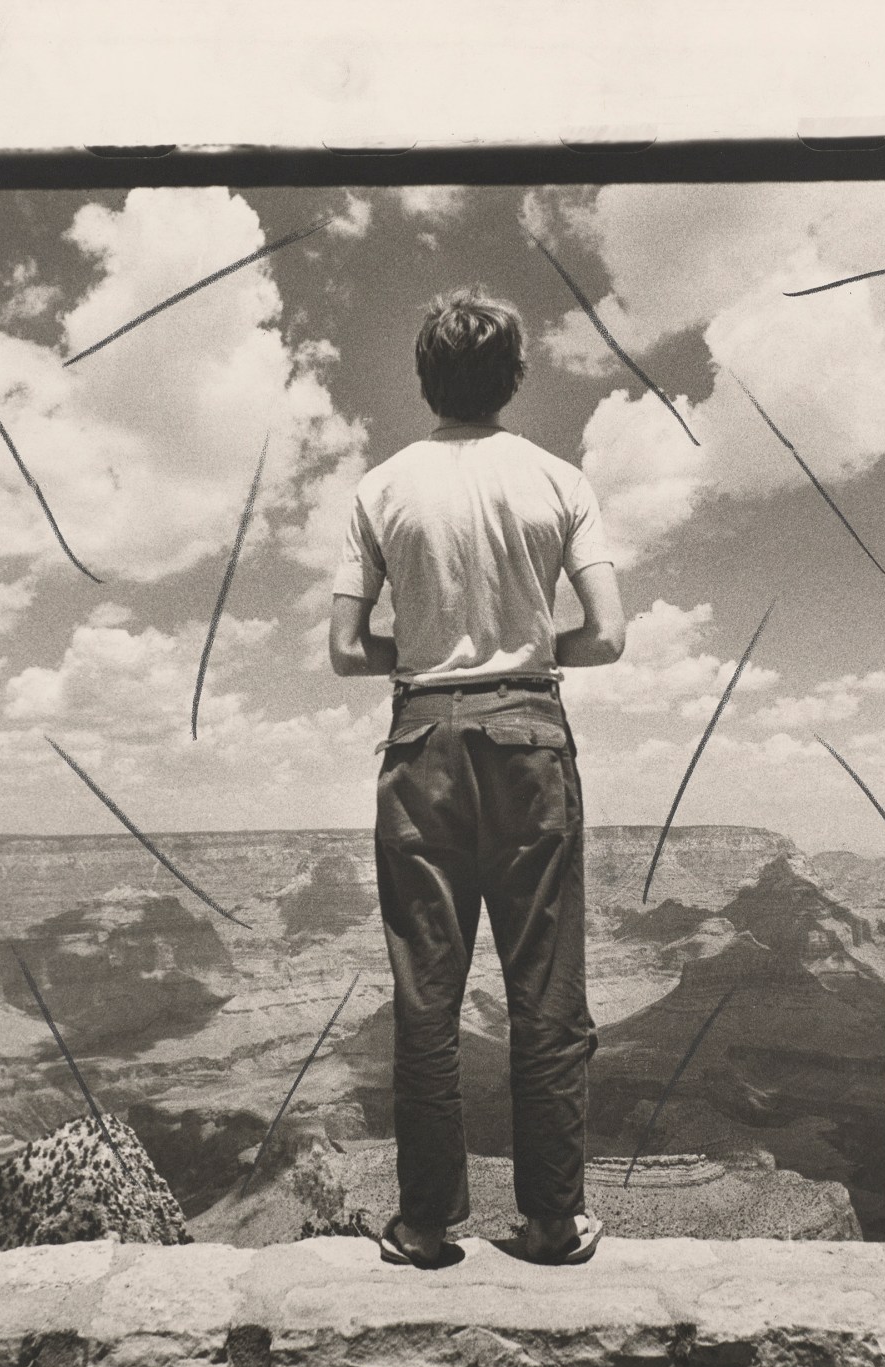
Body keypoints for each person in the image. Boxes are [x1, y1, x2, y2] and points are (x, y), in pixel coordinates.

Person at [330, 286, 626, 1269]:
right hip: (531, 734)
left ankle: (423, 1224)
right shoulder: (558, 481)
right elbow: (610, 634)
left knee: (427, 993)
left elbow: (342, 646)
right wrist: (527, 647)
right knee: (545, 990)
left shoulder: (378, 491)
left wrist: (423, 656)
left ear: (424, 380)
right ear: (512, 381)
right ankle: (550, 1219)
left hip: (420, 744)